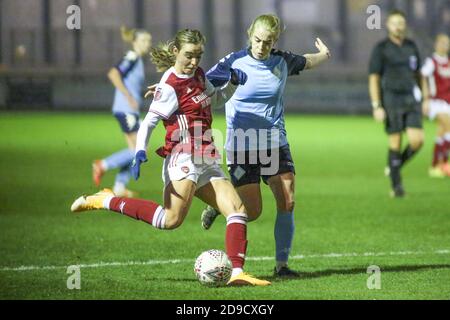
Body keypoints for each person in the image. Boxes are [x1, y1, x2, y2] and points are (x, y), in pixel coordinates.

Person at [71, 28, 270, 286]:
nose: (195, 61)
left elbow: (216, 99)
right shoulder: (169, 85)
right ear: (176, 51)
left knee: (237, 209)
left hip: (206, 155)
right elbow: (150, 121)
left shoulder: (198, 74)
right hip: (183, 156)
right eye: (189, 55)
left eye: (199, 55)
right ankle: (106, 200)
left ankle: (237, 273)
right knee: (170, 220)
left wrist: (232, 84)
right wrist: (140, 150)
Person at [199, 14, 331, 277]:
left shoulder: (282, 61)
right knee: (254, 211)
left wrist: (325, 55)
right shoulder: (234, 61)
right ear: (250, 35)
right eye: (257, 40)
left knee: (288, 199)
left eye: (268, 42)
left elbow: (307, 61)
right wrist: (170, 87)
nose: (261, 46)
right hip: (241, 145)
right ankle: (219, 206)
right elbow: (201, 81)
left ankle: (282, 266)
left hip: (274, 142)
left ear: (275, 41)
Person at [368, 9, 425, 197]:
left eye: (401, 23)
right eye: (395, 23)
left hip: (411, 98)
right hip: (391, 99)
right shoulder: (381, 48)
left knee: (417, 141)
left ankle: (394, 166)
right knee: (395, 141)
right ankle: (397, 187)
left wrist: (426, 98)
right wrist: (377, 105)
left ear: (405, 25)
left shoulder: (411, 46)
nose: (398, 26)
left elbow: (419, 74)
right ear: (388, 25)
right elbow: (374, 78)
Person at [92, 26, 152, 197]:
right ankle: (102, 165)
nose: (147, 44)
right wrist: (128, 96)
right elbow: (113, 74)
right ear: (134, 42)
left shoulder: (138, 60)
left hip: (128, 111)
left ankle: (119, 187)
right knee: (139, 149)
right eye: (143, 40)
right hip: (125, 109)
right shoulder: (132, 56)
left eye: (148, 41)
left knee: (136, 149)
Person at [420, 34, 450, 178]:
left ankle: (435, 165)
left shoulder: (449, 62)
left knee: (442, 131)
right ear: (436, 44)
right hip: (435, 101)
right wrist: (425, 100)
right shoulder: (431, 61)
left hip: (447, 102)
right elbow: (423, 77)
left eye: (447, 43)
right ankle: (443, 163)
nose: (444, 45)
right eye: (442, 43)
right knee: (448, 127)